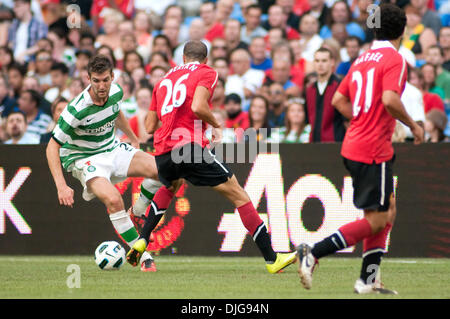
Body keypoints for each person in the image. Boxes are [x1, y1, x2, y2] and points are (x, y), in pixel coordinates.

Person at [126, 40, 297, 274]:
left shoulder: (163, 80)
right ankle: (272, 259)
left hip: (163, 152)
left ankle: (143, 239)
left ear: (183, 58)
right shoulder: (206, 72)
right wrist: (216, 125)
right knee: (240, 195)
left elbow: (149, 125)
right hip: (188, 147)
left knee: (170, 185)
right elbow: (198, 106)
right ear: (205, 59)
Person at [296, 3, 424, 294]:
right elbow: (391, 100)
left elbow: (338, 101)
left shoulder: (363, 59)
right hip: (373, 148)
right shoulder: (395, 59)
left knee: (387, 208)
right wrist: (414, 126)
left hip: (355, 143)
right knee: (377, 219)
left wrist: (362, 118)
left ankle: (367, 279)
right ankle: (313, 252)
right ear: (402, 30)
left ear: (375, 29)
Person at [46, 54, 163, 272]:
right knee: (113, 199)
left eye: (105, 80)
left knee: (164, 171)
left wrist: (133, 137)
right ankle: (143, 255)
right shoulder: (76, 109)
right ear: (88, 79)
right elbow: (52, 146)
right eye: (96, 80)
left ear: (113, 77)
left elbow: (115, 112)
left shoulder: (116, 92)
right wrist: (61, 185)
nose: (101, 86)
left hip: (112, 148)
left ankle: (137, 212)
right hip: (84, 158)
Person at [305, 47, 346, 142]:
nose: (320, 64)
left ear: (332, 62)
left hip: (335, 142)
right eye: (317, 61)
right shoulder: (309, 89)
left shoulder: (339, 86)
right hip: (314, 142)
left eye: (324, 61)